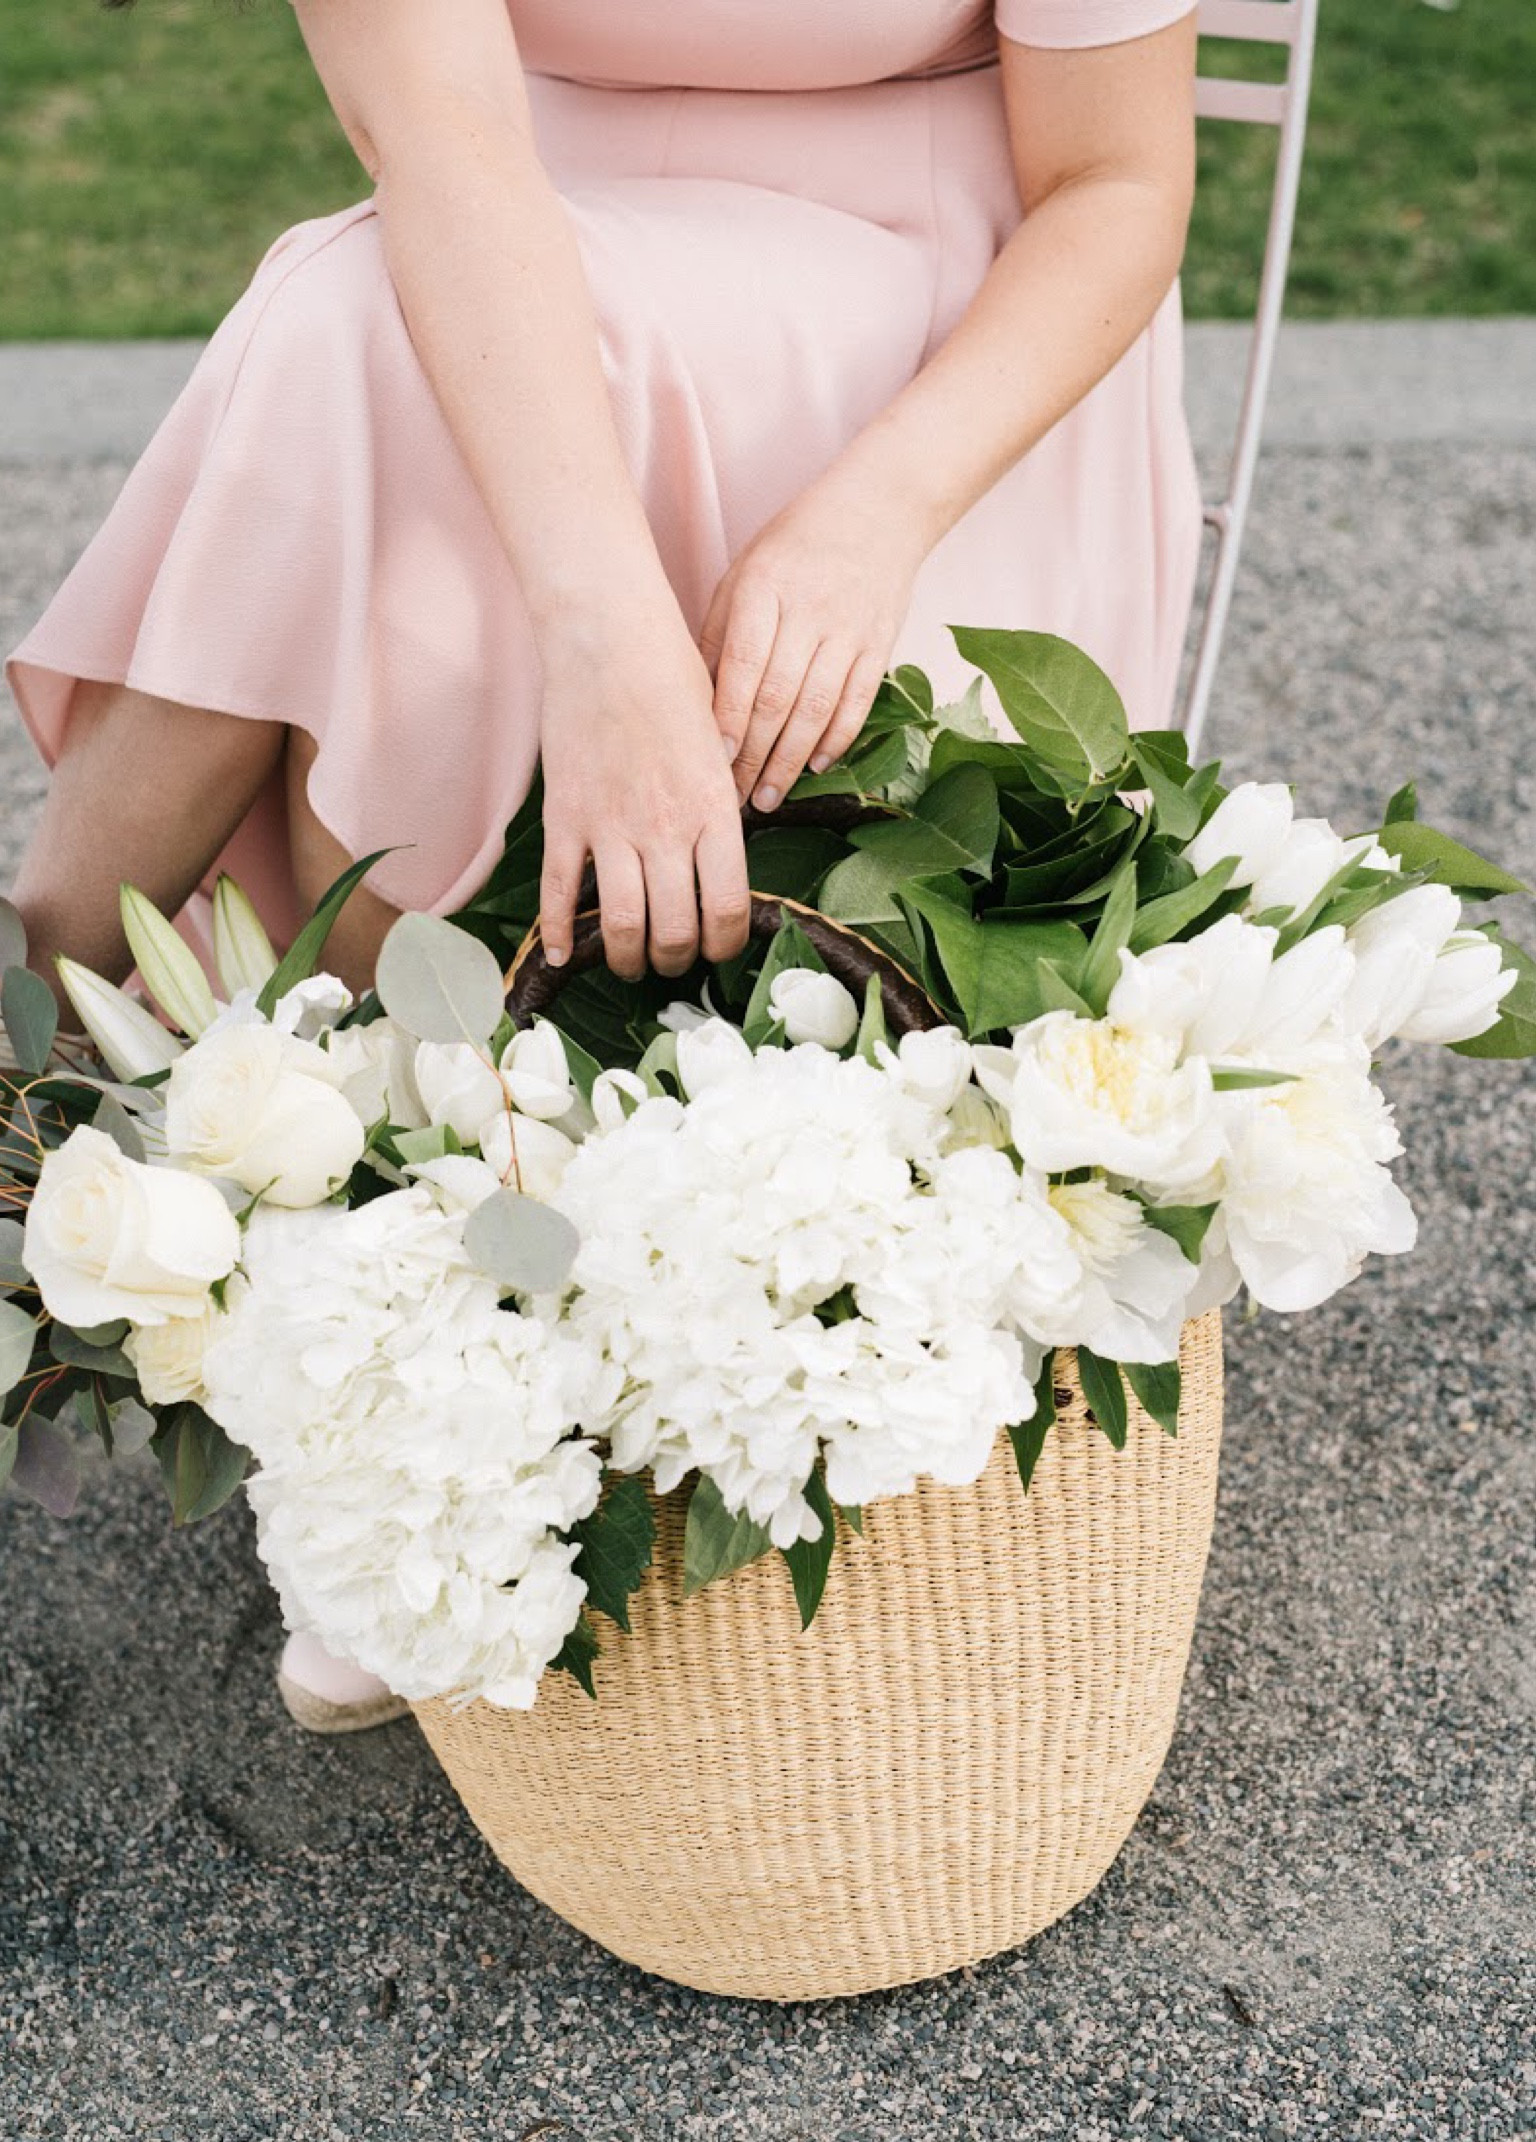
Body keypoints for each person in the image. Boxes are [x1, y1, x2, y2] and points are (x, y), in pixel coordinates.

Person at [3, 0, 1204, 1729]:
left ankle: (55, 1045)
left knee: (360, 341)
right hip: (504, 249)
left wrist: (871, 515)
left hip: (933, 337)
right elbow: (447, 147)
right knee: (384, 332)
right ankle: (394, 1291)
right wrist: (598, 619)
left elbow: (1115, 182)